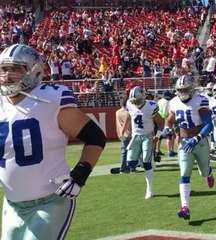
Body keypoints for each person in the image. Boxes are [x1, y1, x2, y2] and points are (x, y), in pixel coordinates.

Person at [0, 44, 105, 239]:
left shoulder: (50, 99)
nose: (7, 75)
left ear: (34, 71)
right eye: (4, 69)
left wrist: (80, 174)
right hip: (12, 204)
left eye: (15, 68)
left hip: (51, 200)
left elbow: (95, 137)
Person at [163, 74, 214, 220]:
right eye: (180, 89)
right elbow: (169, 120)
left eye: (185, 89)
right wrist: (167, 127)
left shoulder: (200, 100)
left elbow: (208, 125)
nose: (182, 92)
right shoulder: (173, 102)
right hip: (184, 143)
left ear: (191, 89)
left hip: (200, 141)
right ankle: (185, 207)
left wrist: (197, 138)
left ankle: (209, 173)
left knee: (204, 171)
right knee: (184, 174)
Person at [120, 86, 164, 199]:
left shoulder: (150, 106)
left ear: (143, 97)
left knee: (146, 163)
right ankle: (149, 158)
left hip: (148, 136)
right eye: (134, 101)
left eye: (138, 100)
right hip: (135, 136)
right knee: (131, 163)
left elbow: (160, 123)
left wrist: (157, 136)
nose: (136, 103)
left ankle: (149, 189)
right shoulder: (130, 104)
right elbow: (129, 117)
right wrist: (123, 129)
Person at [156, 90, 176, 157]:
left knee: (159, 136)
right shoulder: (166, 102)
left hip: (158, 119)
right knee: (169, 135)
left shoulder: (159, 101)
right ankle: (169, 151)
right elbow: (165, 112)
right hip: (164, 119)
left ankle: (157, 150)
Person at [115, 97, 131, 173]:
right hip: (130, 133)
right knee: (132, 151)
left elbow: (117, 124)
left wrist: (119, 133)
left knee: (124, 152)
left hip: (122, 134)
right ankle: (129, 167)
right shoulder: (129, 112)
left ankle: (123, 168)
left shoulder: (117, 112)